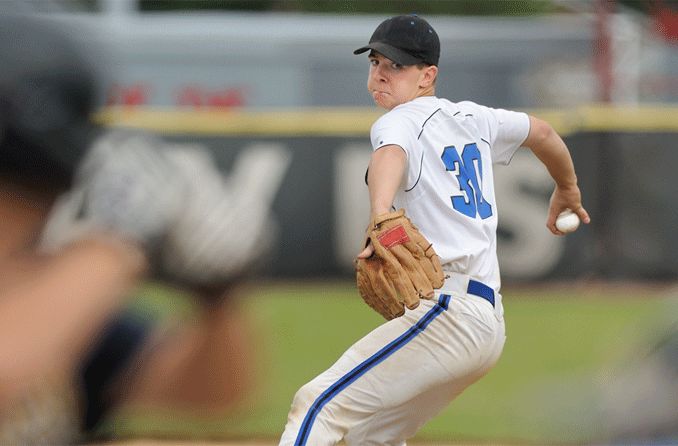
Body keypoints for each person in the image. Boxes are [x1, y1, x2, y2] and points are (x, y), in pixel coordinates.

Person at [279, 14, 591, 445]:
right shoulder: (475, 118)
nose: (381, 74)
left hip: (448, 313)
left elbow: (390, 154)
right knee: (370, 437)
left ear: (428, 75)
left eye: (396, 66)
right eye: (375, 62)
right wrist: (568, 189)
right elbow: (542, 132)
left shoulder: (399, 120)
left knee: (318, 405)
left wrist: (379, 214)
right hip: (485, 323)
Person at [0, 13, 270, 444]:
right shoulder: (80, 272)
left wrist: (216, 296)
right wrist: (117, 242)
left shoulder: (47, 284)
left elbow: (212, 396)